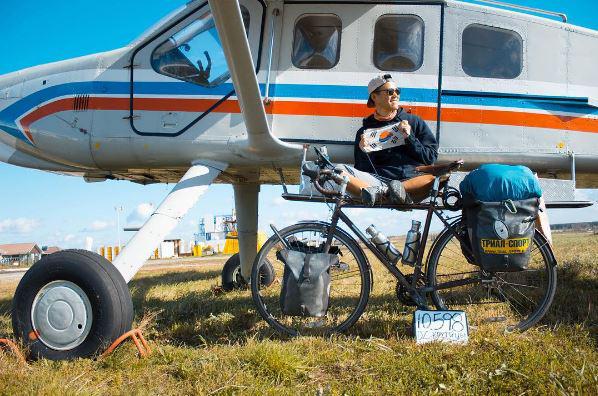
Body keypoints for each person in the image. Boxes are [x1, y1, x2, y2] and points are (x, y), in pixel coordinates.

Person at [339, 74, 438, 204]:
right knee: (339, 170)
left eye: (397, 91)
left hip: (410, 183)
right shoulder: (364, 132)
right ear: (374, 97)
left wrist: (409, 138)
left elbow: (430, 158)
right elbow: (363, 171)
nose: (396, 95)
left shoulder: (414, 122)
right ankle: (385, 193)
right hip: (378, 182)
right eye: (390, 92)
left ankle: (388, 194)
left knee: (435, 179)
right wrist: (364, 152)